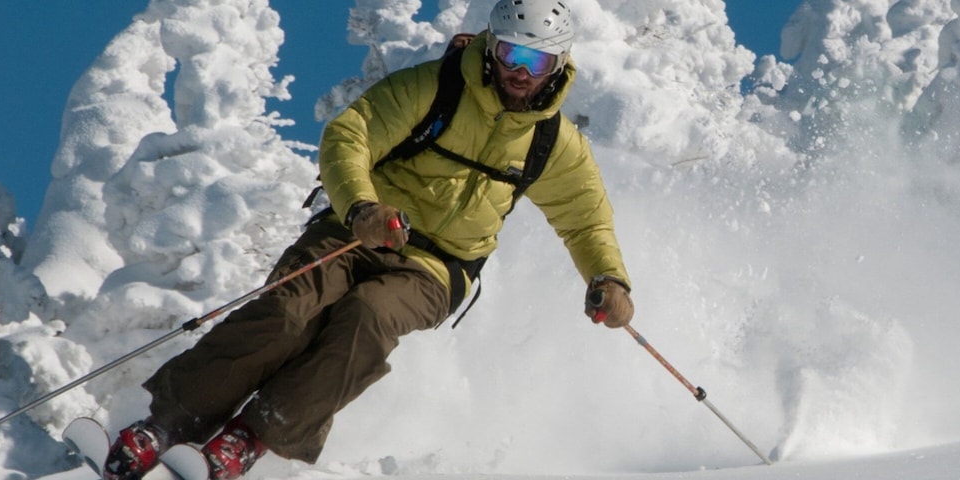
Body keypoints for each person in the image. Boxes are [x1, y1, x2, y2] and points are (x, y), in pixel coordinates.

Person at [100, 1, 634, 478]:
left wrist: (609, 280)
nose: (520, 71)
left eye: (537, 61)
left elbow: (585, 220)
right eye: (513, 53)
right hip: (357, 230)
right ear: (492, 46)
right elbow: (349, 135)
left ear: (558, 64)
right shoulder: (435, 87)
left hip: (436, 267)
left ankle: (252, 438)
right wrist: (362, 208)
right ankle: (165, 424)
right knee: (289, 311)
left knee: (368, 318)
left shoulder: (552, 142)